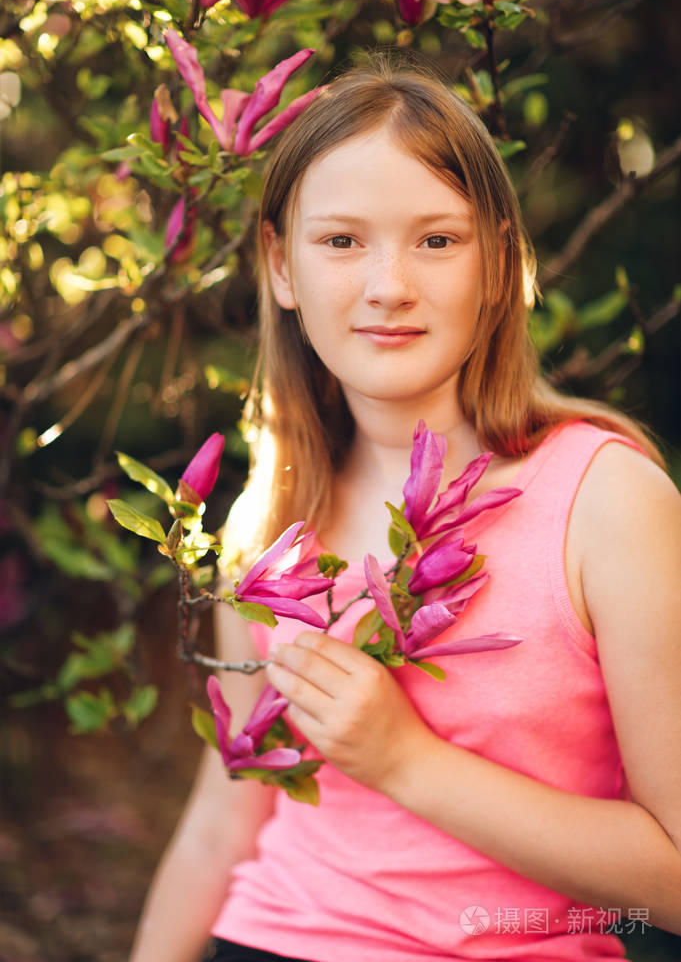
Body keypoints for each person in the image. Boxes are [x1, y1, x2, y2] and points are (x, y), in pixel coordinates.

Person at [129, 53, 681, 962]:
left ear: (499, 261)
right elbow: (223, 823)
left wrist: (403, 760)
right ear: (280, 264)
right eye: (341, 241)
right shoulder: (266, 520)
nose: (388, 284)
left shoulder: (606, 500)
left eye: (436, 239)